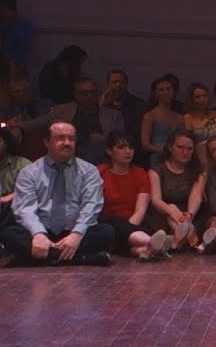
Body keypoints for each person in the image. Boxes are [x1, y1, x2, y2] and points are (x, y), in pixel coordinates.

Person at [1, 122, 113, 266]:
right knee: (8, 233)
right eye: (60, 138)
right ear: (47, 142)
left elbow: (91, 206)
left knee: (106, 232)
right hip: (42, 231)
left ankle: (34, 259)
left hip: (74, 231)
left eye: (71, 139)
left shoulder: (89, 171)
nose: (67, 143)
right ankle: (85, 259)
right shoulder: (30, 172)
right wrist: (38, 234)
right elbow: (24, 208)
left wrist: (76, 235)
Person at [20, 75, 126, 166]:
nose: (89, 96)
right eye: (84, 93)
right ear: (76, 94)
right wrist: (17, 126)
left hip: (101, 159)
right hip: (68, 156)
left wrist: (104, 139)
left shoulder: (113, 116)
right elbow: (39, 122)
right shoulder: (63, 110)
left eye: (92, 92)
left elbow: (120, 141)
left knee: (95, 143)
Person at [97, 131, 170, 260]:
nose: (128, 151)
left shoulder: (140, 174)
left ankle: (145, 250)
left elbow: (140, 211)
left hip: (134, 223)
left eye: (131, 148)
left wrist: (128, 229)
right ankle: (152, 243)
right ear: (109, 151)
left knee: (124, 229)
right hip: (107, 223)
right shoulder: (100, 172)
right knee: (114, 225)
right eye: (121, 147)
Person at [146, 130, 207, 251]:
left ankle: (178, 238)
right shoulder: (157, 170)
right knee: (172, 208)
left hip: (190, 214)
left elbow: (196, 196)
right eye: (180, 147)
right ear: (170, 147)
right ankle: (189, 236)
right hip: (163, 213)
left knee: (179, 214)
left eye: (189, 149)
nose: (185, 152)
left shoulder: (199, 170)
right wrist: (172, 212)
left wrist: (189, 215)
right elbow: (156, 200)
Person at [101, 69, 148, 162]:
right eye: (114, 82)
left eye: (122, 82)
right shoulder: (104, 104)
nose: (118, 85)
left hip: (133, 151)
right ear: (108, 85)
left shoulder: (138, 104)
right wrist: (103, 104)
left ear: (127, 84)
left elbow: (139, 132)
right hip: (108, 152)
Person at [141, 75, 184, 167]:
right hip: (158, 158)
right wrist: (165, 150)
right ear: (156, 94)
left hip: (177, 157)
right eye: (161, 90)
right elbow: (145, 144)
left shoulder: (180, 118)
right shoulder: (150, 116)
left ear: (173, 92)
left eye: (168, 89)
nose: (166, 93)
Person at [182, 83, 216, 166]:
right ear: (191, 100)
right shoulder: (187, 117)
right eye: (198, 97)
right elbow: (188, 142)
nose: (202, 99)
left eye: (205, 96)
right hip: (199, 157)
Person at [0, 0, 35, 83]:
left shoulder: (24, 25)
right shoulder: (2, 24)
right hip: (3, 66)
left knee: (12, 65)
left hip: (16, 67)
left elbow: (24, 47)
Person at [0, 128, 32, 224]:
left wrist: (9, 197)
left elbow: (36, 189)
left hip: (15, 218)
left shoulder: (22, 164)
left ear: (6, 143)